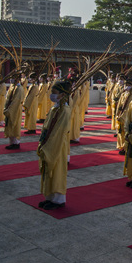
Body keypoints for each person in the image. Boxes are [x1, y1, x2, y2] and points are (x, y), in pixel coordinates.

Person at [37, 79, 73, 209]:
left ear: (62, 94)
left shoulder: (65, 110)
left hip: (56, 145)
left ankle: (58, 200)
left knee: (57, 171)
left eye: (54, 92)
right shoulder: (55, 108)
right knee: (48, 171)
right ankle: (50, 197)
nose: (51, 94)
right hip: (49, 143)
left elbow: (59, 132)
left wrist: (48, 147)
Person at [3, 75, 25, 149]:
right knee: (10, 125)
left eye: (13, 78)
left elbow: (16, 101)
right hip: (11, 108)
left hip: (15, 109)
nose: (11, 80)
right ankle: (12, 142)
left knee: (14, 125)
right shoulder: (13, 87)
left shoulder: (19, 89)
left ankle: (16, 143)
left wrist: (10, 110)